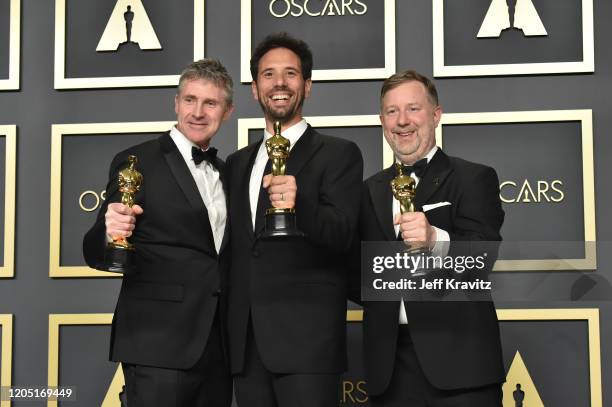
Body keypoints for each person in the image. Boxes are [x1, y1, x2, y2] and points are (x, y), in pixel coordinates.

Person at [82, 59, 234, 407]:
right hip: (157, 343)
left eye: (210, 103)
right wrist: (110, 231)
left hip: (217, 349)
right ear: (176, 103)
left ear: (227, 111)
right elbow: (95, 249)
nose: (198, 112)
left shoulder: (228, 173)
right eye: (190, 100)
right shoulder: (137, 162)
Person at [225, 32, 363, 407]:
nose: (280, 83)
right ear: (255, 89)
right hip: (245, 346)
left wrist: (300, 203)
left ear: (307, 86)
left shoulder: (339, 154)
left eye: (290, 74)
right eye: (268, 75)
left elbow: (343, 236)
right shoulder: (237, 164)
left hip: (308, 346)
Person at [357, 70, 505, 406]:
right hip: (389, 371)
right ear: (382, 120)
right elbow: (359, 272)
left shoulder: (473, 177)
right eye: (392, 111)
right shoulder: (368, 191)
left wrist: (434, 237)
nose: (402, 121)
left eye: (413, 109)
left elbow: (484, 256)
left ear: (436, 115)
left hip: (461, 366)